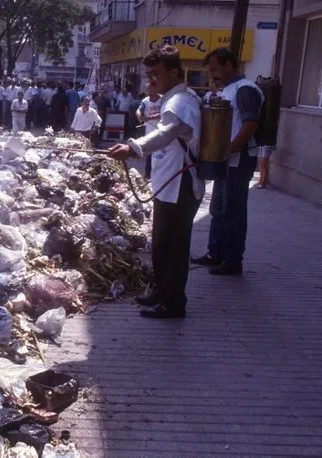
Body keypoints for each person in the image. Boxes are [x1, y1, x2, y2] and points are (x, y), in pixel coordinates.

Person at [109, 45, 204, 319]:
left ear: (174, 72)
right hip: (167, 184)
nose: (150, 80)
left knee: (174, 246)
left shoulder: (181, 102)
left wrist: (133, 148)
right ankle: (162, 292)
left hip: (181, 184)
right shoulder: (169, 98)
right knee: (162, 244)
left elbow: (167, 132)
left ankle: (174, 303)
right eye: (148, 74)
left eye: (156, 74)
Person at [192, 47, 264, 276]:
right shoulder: (229, 89)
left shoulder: (245, 90)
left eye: (214, 69)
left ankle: (232, 260)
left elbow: (250, 123)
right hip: (226, 160)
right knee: (218, 208)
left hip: (238, 161)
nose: (211, 74)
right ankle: (215, 253)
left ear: (229, 65)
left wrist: (228, 149)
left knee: (233, 211)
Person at [137, 87, 162, 178]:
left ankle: (158, 174)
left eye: (153, 92)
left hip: (161, 130)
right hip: (149, 131)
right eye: (149, 93)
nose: (151, 95)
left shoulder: (163, 99)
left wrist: (151, 117)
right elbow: (140, 110)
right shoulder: (145, 101)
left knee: (160, 154)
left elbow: (163, 112)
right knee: (149, 154)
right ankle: (148, 175)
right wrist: (141, 116)